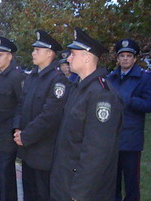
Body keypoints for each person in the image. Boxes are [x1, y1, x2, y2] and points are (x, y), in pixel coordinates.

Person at [50, 28, 123, 201]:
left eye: (73, 54)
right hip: (66, 181)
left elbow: (97, 151)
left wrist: (80, 192)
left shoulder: (102, 95)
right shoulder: (79, 87)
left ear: (87, 57)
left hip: (83, 189)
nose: (68, 58)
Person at [12, 30, 69, 201]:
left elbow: (50, 116)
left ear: (49, 53)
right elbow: (21, 105)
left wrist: (25, 136)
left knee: (43, 194)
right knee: (29, 193)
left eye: (37, 50)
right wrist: (17, 128)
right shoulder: (33, 76)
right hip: (28, 148)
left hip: (44, 151)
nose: (33, 53)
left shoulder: (58, 80)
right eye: (33, 49)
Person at [107, 39, 151, 201]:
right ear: (117, 59)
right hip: (112, 138)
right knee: (113, 182)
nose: (125, 59)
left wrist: (130, 101)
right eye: (122, 56)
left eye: (129, 56)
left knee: (131, 182)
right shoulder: (111, 78)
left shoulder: (144, 78)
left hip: (131, 140)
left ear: (134, 59)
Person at [0, 36, 26, 201]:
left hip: (8, 134)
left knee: (5, 174)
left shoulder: (16, 76)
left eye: (1, 55)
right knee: (1, 174)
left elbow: (22, 105)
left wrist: (17, 128)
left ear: (10, 56)